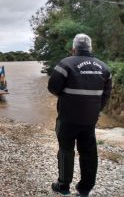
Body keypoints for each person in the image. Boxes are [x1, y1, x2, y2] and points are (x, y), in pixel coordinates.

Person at [48, 34, 112, 196]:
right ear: (91, 48)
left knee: (66, 150)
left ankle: (63, 186)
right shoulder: (104, 68)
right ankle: (85, 189)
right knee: (89, 152)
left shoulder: (65, 64)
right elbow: (105, 95)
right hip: (90, 120)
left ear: (73, 49)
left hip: (67, 118)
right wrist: (95, 111)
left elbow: (53, 88)